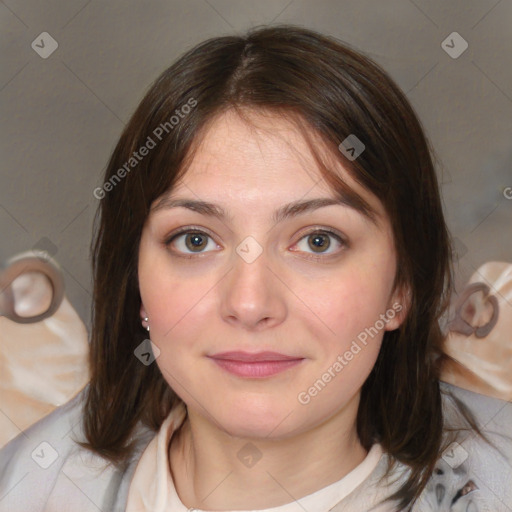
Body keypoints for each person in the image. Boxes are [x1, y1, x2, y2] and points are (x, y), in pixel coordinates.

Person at [0, 24, 510, 512]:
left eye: (317, 241)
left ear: (402, 287)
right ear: (136, 284)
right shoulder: (29, 485)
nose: (249, 304)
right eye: (195, 240)